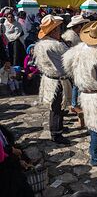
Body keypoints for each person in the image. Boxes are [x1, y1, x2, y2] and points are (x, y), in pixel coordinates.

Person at [63, 19, 97, 166]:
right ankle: (96, 157)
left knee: (93, 126)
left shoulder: (77, 50)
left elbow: (70, 70)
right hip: (96, 95)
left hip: (84, 94)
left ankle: (95, 153)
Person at [34, 15, 72, 145]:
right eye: (58, 29)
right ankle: (56, 133)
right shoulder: (54, 46)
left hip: (51, 79)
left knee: (57, 106)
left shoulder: (43, 45)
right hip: (57, 80)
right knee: (56, 107)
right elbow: (63, 64)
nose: (60, 31)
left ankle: (58, 127)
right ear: (53, 31)